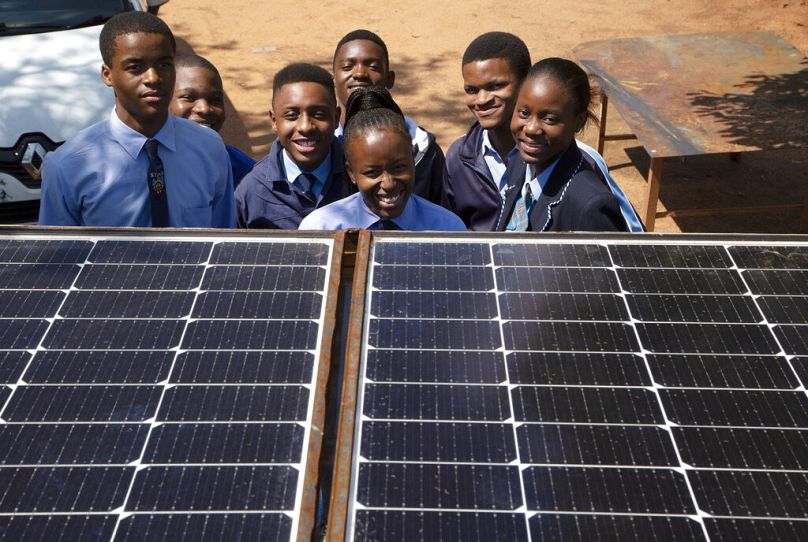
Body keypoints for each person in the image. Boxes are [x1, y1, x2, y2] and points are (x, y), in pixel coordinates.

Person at [39, 11, 234, 228]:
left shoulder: (209, 148)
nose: (153, 78)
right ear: (107, 75)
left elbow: (222, 240)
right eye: (135, 67)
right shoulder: (68, 166)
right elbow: (58, 255)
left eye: (164, 65)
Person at [445, 32, 643, 232]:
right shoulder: (516, 161)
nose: (481, 100)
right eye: (471, 90)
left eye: (496, 86)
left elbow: (630, 245)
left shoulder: (590, 198)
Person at [299, 87, 466, 231]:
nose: (388, 184)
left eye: (399, 167)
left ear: (412, 161)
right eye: (372, 172)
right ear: (351, 173)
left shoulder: (447, 229)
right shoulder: (321, 229)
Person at [497, 58, 628, 232]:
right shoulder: (519, 162)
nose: (531, 129)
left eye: (549, 119)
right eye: (524, 113)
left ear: (578, 122)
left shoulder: (590, 206)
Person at [332, 29, 445, 204]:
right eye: (347, 67)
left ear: (389, 79)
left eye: (373, 66)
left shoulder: (424, 150)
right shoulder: (322, 147)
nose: (360, 73)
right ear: (333, 79)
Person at [235, 63, 349, 229]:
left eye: (319, 114)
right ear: (274, 121)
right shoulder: (251, 191)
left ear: (336, 117)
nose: (305, 126)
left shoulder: (360, 175)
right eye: (292, 115)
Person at [169, 54, 255, 187]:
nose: (205, 109)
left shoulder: (243, 171)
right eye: (189, 98)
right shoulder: (145, 166)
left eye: (215, 100)